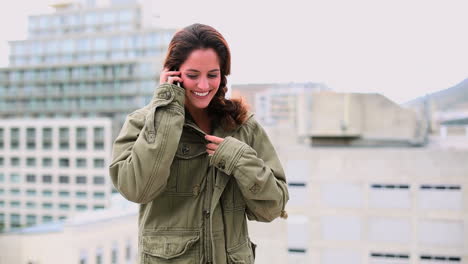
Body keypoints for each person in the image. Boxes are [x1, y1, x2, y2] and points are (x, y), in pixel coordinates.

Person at [109, 23, 289, 264]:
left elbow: (272, 207)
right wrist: (167, 110)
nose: (203, 86)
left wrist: (238, 159)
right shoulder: (142, 123)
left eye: (212, 75)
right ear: (174, 72)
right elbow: (136, 189)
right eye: (193, 75)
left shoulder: (243, 127)